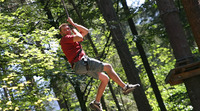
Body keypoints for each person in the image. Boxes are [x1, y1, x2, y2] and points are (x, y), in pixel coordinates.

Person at [59, 17, 140, 111]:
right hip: (81, 62)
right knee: (108, 67)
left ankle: (96, 103)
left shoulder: (71, 39)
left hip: (80, 67)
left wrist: (74, 24)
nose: (67, 30)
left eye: (68, 28)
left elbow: (86, 31)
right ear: (62, 33)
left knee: (105, 79)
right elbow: (80, 37)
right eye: (65, 30)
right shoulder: (65, 39)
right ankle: (125, 87)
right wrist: (74, 29)